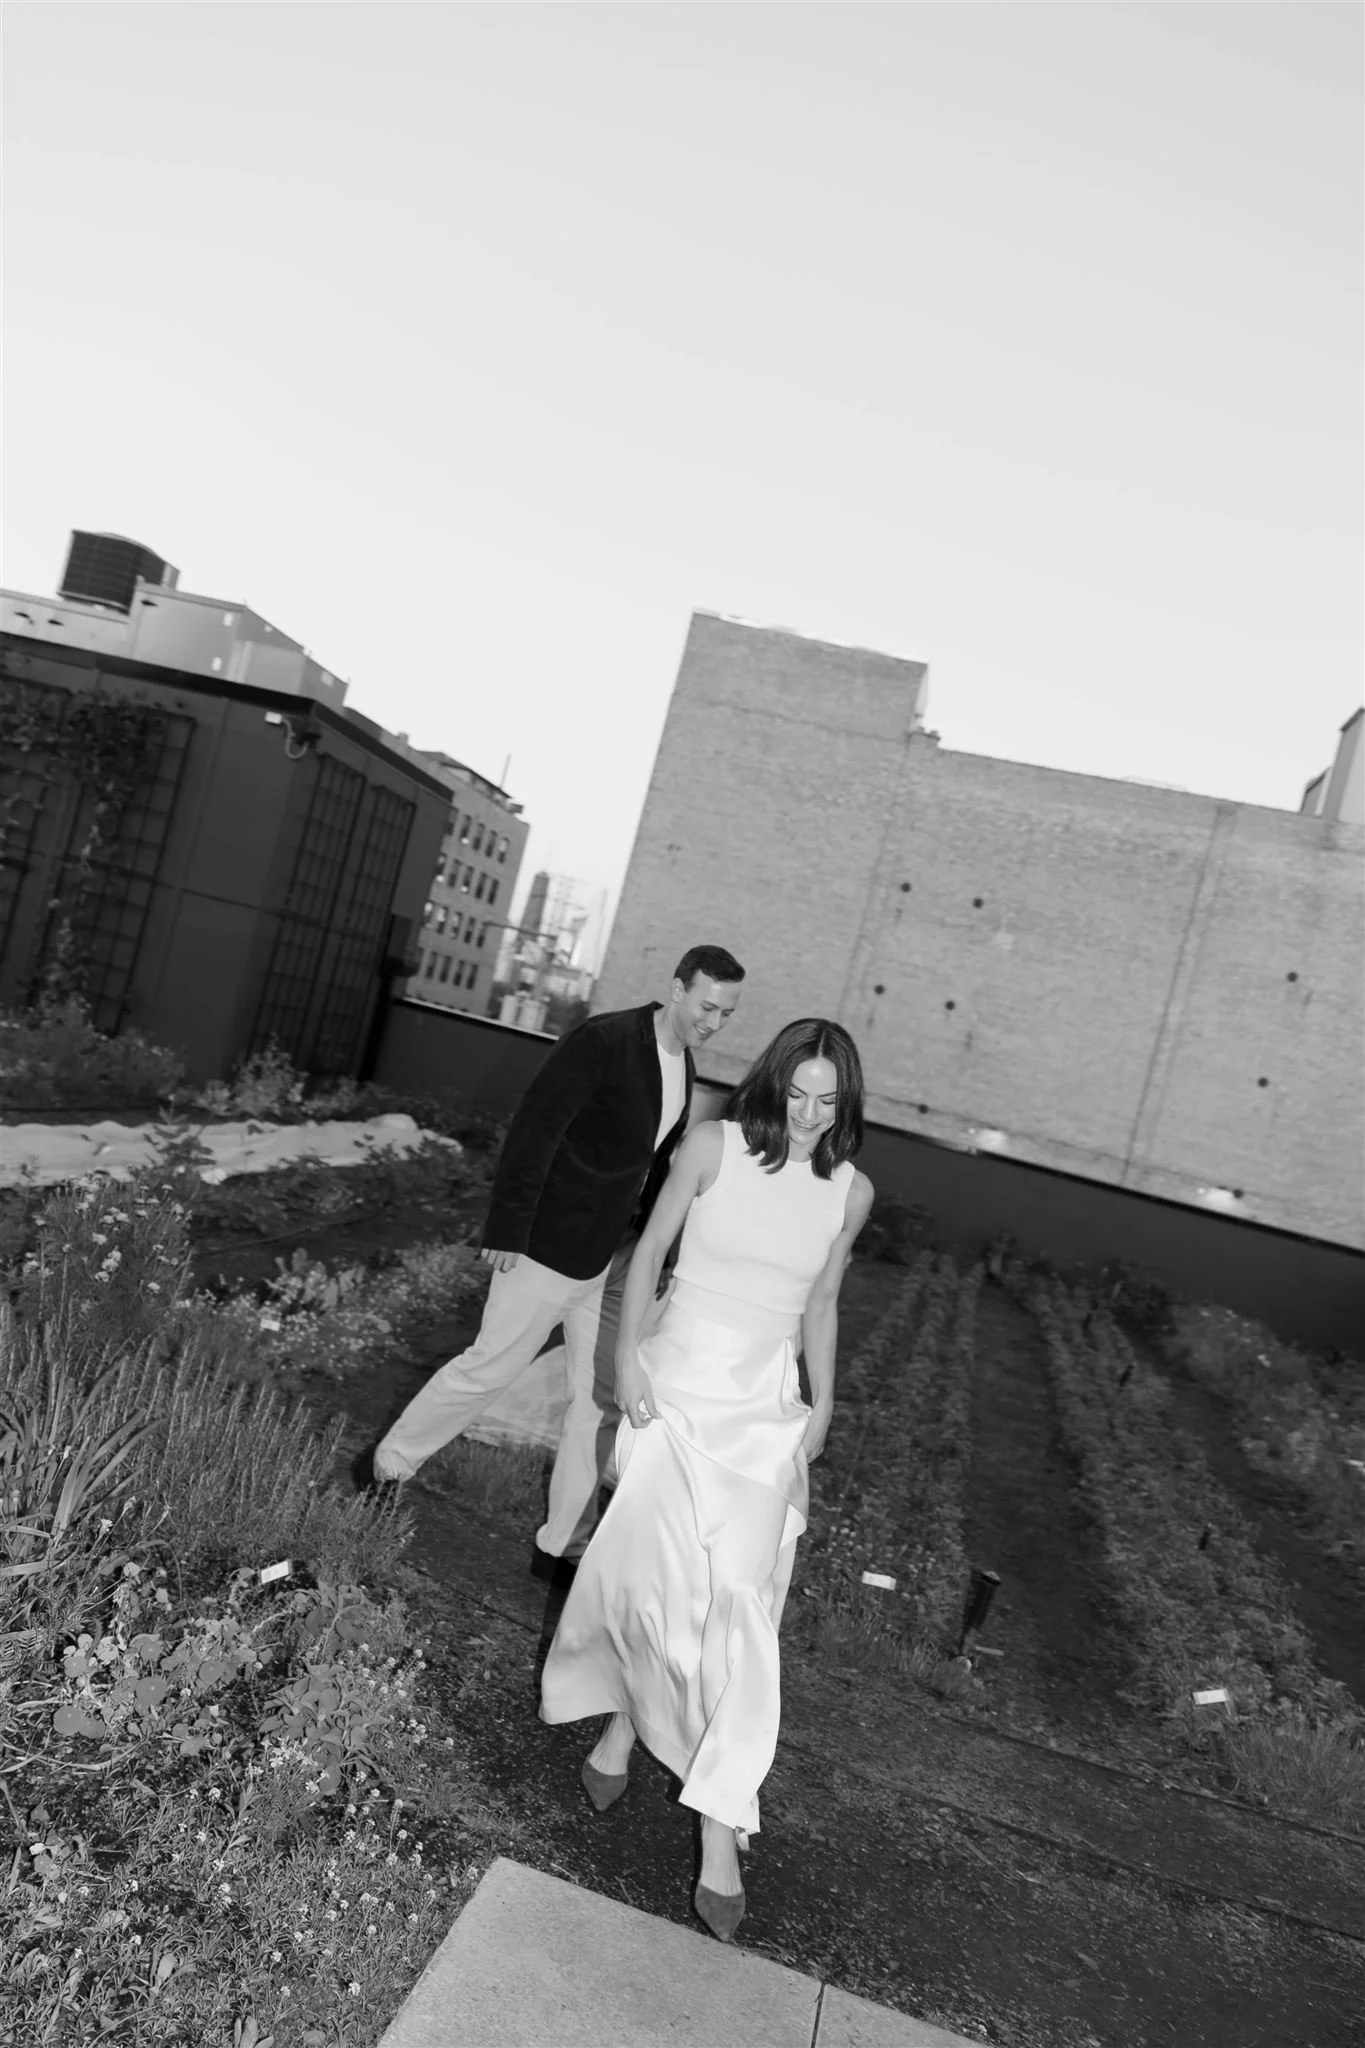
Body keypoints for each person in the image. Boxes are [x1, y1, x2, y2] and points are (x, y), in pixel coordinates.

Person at [540, 1018, 874, 1942]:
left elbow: (823, 1301)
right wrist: (630, 1361)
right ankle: (625, 1722)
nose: (808, 1116)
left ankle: (718, 1826)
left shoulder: (848, 1191)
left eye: (827, 1102)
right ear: (774, 1084)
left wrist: (824, 1406)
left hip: (763, 1411)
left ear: (845, 1107)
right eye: (797, 1094)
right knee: (653, 1584)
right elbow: (646, 1255)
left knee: (739, 1603)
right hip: (676, 1387)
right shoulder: (710, 1146)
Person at [366, 945, 746, 1574]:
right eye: (707, 1005)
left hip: (617, 1256)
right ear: (677, 989)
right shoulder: (603, 1041)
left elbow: (649, 1166)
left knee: (597, 1403)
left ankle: (563, 1543)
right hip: (550, 1245)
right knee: (489, 1368)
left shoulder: (685, 1064)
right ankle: (388, 1465)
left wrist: (654, 1247)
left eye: (726, 1013)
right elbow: (536, 1130)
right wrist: (509, 1229)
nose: (713, 1021)